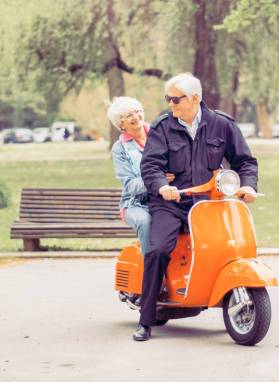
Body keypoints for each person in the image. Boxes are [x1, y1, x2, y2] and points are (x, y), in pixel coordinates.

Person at [133, 73, 259, 341]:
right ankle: (146, 319)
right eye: (168, 99)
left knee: (229, 247)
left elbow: (245, 161)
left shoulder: (221, 125)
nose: (170, 104)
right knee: (157, 250)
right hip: (171, 203)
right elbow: (150, 165)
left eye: (175, 99)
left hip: (209, 203)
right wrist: (161, 186)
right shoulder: (163, 127)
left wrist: (248, 186)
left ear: (195, 98)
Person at [108, 96, 174, 309]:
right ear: (121, 124)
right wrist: (158, 180)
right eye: (129, 115)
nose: (136, 117)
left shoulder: (159, 134)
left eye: (138, 111)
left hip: (164, 198)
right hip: (136, 203)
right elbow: (130, 185)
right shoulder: (120, 149)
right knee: (146, 222)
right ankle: (153, 280)